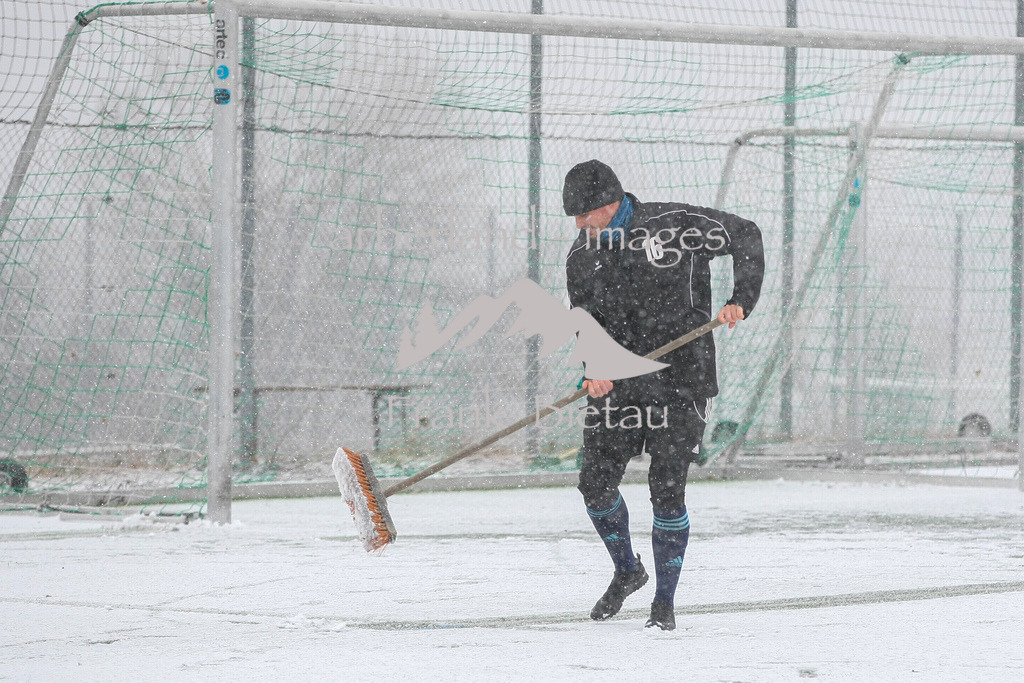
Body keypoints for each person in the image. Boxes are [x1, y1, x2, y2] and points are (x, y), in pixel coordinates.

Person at [563, 159, 764, 630]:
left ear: (608, 204)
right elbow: (584, 321)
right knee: (594, 484)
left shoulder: (674, 226)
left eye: (582, 215)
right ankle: (628, 570)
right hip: (621, 385)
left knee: (666, 490)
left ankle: (664, 604)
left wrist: (741, 299)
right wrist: (593, 368)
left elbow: (746, 234)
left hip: (683, 380)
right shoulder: (581, 256)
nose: (577, 226)